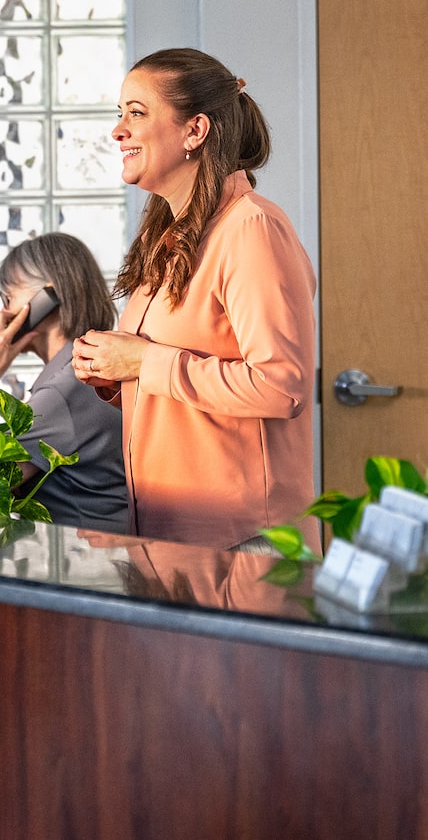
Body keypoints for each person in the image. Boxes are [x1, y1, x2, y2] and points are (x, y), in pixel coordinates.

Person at [72, 47, 318, 553]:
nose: (118, 131)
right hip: (175, 540)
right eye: (119, 114)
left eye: (136, 113)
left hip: (244, 544)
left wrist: (144, 359)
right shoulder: (170, 236)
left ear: (194, 131)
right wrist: (117, 371)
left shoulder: (252, 230)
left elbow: (283, 387)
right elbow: (188, 377)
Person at [0, 233, 128, 532]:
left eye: (8, 298)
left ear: (46, 299)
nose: (1, 313)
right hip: (91, 557)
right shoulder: (82, 370)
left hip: (91, 565)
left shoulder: (66, 390)